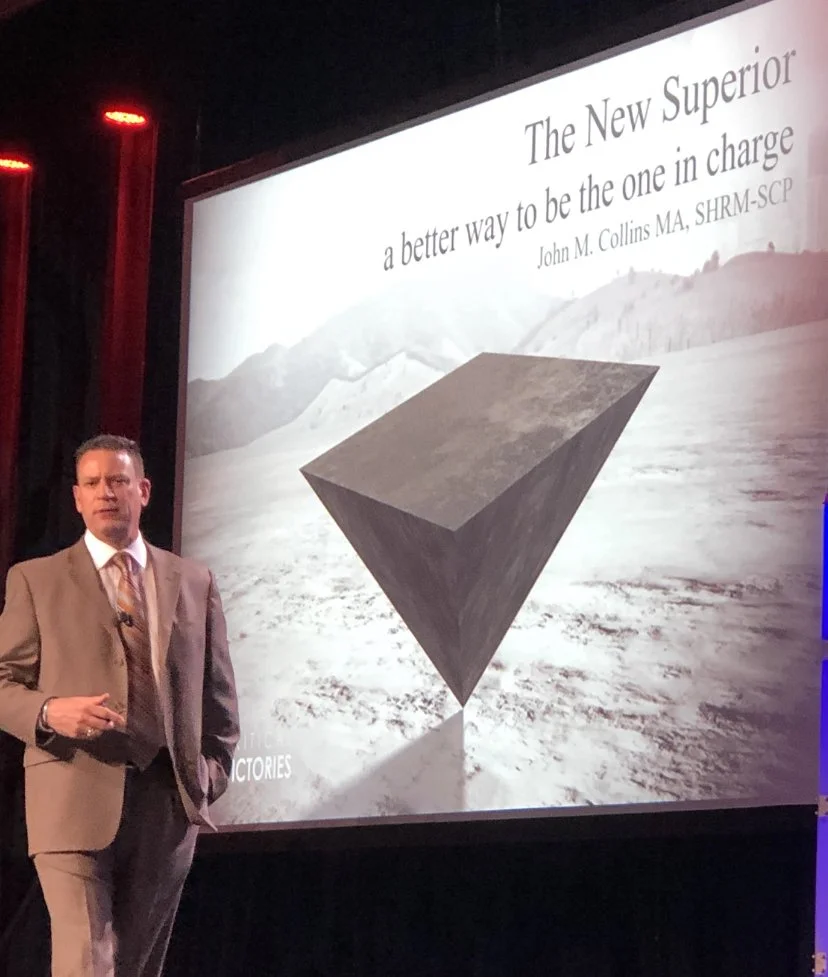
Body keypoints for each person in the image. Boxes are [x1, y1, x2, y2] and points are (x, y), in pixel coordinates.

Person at [0, 434, 240, 977]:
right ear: (77, 499)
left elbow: (218, 696)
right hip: (71, 796)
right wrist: (48, 712)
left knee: (134, 967)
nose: (106, 492)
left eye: (117, 480)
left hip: (165, 803)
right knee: (88, 962)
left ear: (144, 490)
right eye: (92, 483)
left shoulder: (193, 581)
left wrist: (207, 775)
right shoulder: (35, 579)